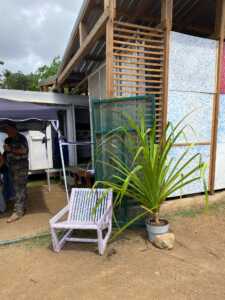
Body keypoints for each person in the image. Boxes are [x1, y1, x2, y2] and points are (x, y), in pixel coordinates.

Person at [0, 122, 29, 223]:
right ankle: (23, 207)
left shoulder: (20, 138)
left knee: (19, 190)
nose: (6, 132)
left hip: (20, 169)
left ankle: (18, 212)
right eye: (5, 130)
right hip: (12, 168)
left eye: (7, 129)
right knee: (20, 189)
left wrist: (10, 149)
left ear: (13, 129)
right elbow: (6, 153)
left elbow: (24, 150)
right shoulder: (9, 139)